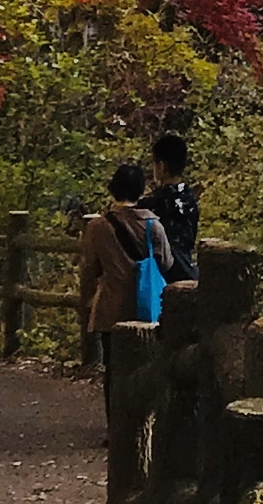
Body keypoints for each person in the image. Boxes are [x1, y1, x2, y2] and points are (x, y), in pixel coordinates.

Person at [76, 160, 172, 368]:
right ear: (140, 191)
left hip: (110, 309)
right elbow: (166, 263)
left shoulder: (97, 227)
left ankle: (113, 402)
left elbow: (89, 268)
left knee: (113, 369)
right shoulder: (153, 226)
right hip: (146, 308)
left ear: (113, 189)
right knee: (145, 370)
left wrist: (88, 301)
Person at [145, 129, 200, 284]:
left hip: (163, 278)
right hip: (188, 272)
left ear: (161, 166)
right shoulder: (190, 200)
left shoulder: (154, 205)